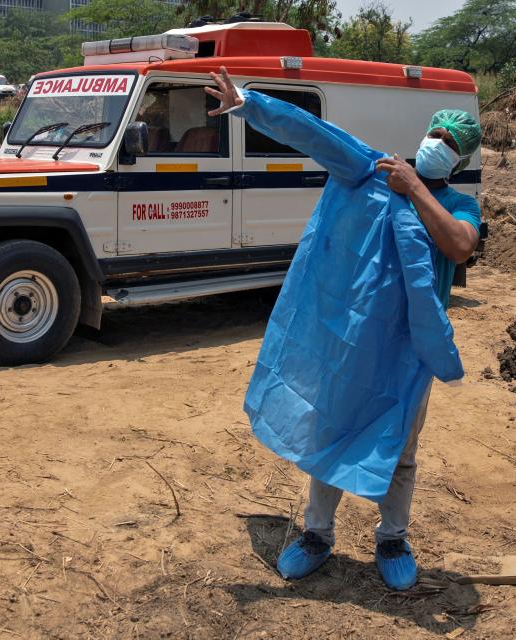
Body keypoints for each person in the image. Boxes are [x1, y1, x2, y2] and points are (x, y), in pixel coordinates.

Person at [205, 67, 483, 591]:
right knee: (331, 426)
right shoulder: (374, 170)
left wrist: (416, 188)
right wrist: (247, 103)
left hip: (409, 353)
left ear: (460, 157)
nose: (438, 144)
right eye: (436, 134)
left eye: (450, 142)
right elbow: (317, 134)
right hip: (354, 342)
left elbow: (459, 246)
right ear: (425, 133)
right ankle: (316, 535)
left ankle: (392, 539)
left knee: (401, 449)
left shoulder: (459, 205)